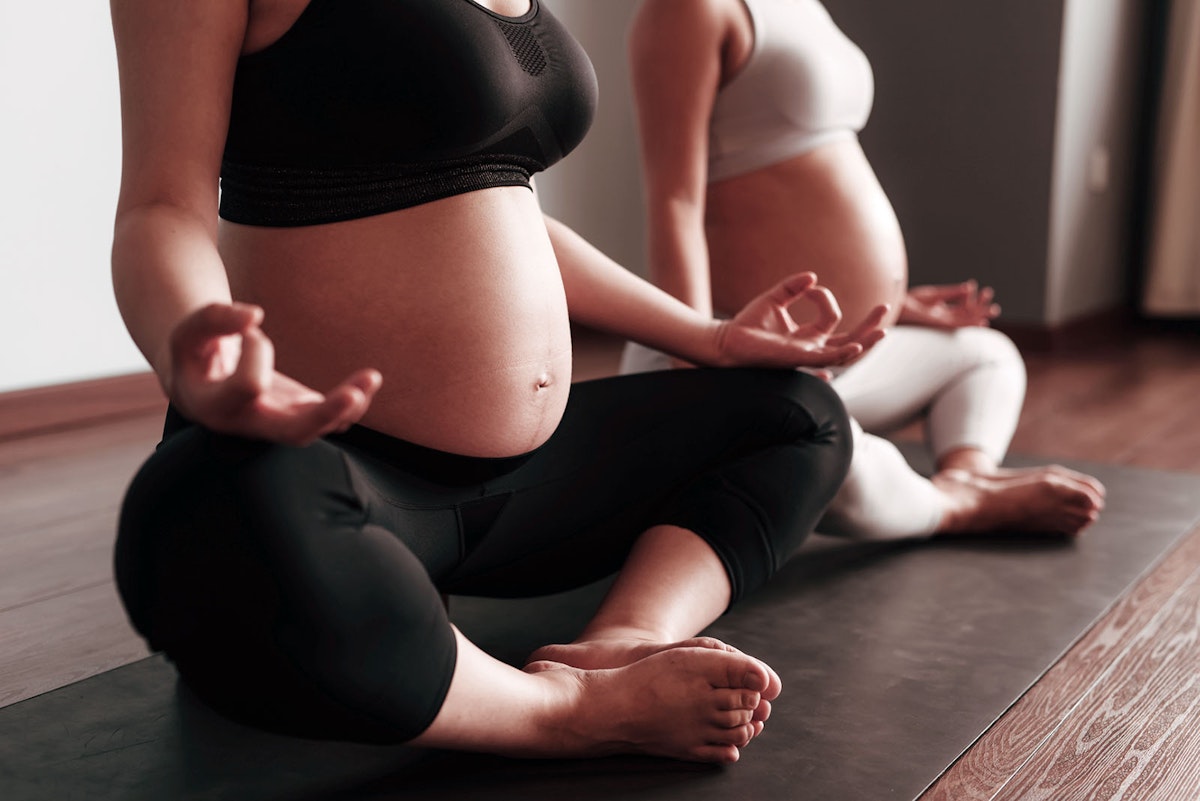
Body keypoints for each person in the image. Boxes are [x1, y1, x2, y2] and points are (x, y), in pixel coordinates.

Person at [108, 0, 889, 764]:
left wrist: (709, 337)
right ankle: (564, 713)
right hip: (336, 470)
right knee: (204, 512)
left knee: (798, 413)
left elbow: (499, 214)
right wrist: (191, 348)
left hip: (526, 487)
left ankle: (619, 639)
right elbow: (161, 206)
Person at [622, 0, 1107, 541]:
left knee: (987, 354)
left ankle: (971, 475)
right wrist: (699, 370)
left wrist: (893, 301)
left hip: (832, 353)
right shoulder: (688, 8)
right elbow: (675, 204)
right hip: (730, 357)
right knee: (821, 464)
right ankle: (954, 506)